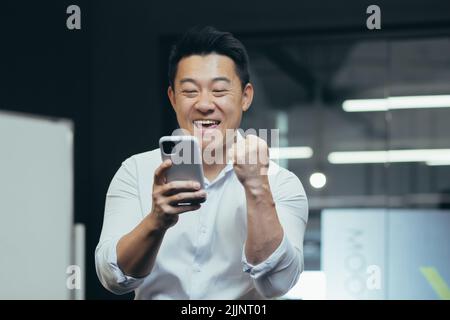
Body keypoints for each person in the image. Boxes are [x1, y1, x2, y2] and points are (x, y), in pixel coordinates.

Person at [95, 26, 308, 299]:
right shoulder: (135, 171)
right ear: (173, 98)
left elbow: (277, 283)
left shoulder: (281, 183)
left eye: (219, 90)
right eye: (190, 91)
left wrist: (257, 187)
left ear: (246, 97)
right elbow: (113, 278)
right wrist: (156, 221)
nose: (204, 104)